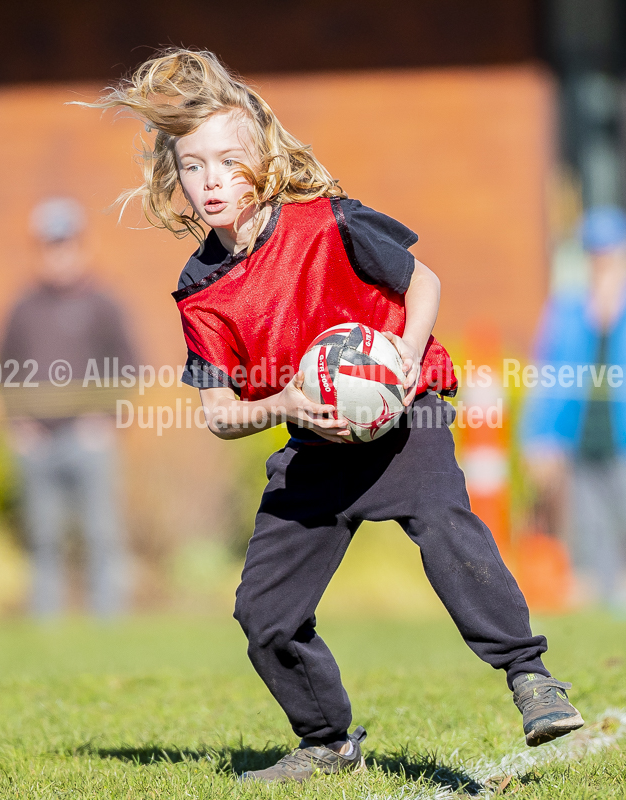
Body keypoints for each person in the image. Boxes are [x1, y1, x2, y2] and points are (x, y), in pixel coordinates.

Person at [88, 49, 583, 782]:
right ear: (177, 181)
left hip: (405, 419)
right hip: (315, 441)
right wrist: (286, 400)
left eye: (228, 161)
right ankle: (326, 742)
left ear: (263, 159)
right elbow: (220, 413)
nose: (213, 179)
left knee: (447, 528)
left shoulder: (325, 223)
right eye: (194, 167)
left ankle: (530, 678)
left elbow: (424, 283)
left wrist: (402, 365)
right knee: (263, 616)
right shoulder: (199, 290)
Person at [0, 197, 134, 617]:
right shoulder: (23, 308)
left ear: (79, 246)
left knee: (101, 532)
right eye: (50, 245)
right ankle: (47, 625)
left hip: (88, 439)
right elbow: (3, 371)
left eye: (65, 243)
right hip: (37, 443)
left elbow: (128, 366)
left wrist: (106, 418)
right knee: (43, 537)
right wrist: (17, 423)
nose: (58, 254)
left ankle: (108, 623)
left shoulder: (102, 304)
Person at [522, 206, 626, 612]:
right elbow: (547, 376)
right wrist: (540, 438)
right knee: (589, 529)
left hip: (621, 439)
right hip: (581, 437)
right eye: (595, 253)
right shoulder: (566, 311)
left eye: (609, 252)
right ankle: (606, 613)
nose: (602, 261)